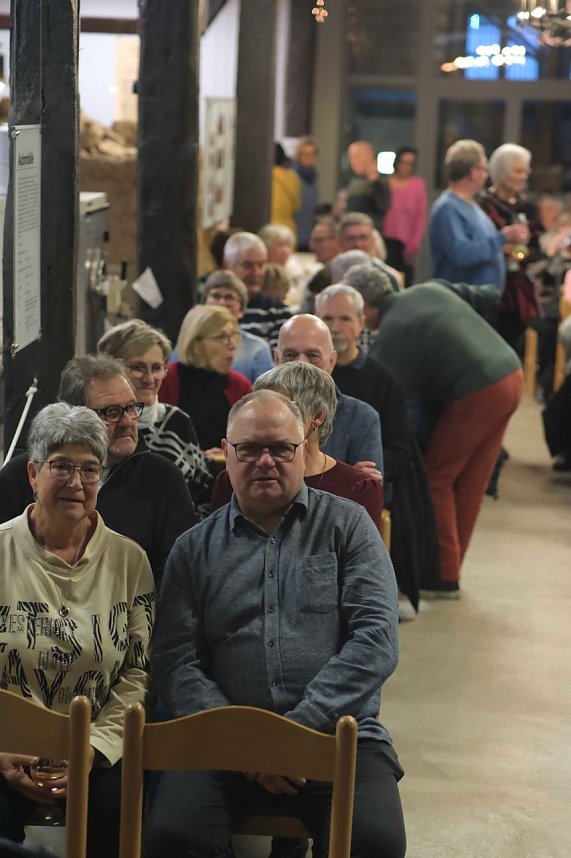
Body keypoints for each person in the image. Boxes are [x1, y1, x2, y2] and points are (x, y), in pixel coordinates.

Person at [144, 391, 406, 858]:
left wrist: (293, 735)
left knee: (374, 843)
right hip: (221, 743)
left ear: (304, 449)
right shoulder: (194, 548)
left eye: (281, 448)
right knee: (173, 839)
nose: (265, 461)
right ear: (227, 453)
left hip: (337, 735)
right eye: (249, 449)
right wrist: (243, 742)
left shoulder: (349, 528)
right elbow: (175, 660)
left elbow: (376, 641)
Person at [0, 403, 154, 857]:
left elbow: (137, 673)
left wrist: (93, 747)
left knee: (118, 811)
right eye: (61, 466)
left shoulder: (130, 562)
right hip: (6, 745)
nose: (76, 482)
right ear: (33, 473)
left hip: (96, 749)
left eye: (90, 469)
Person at [345, 263, 523, 596]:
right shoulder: (429, 288)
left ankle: (441, 575)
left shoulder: (394, 332)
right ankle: (452, 570)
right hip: (511, 374)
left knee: (437, 479)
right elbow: (486, 294)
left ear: (366, 307)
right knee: (471, 480)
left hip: (476, 392)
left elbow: (382, 399)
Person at [0, 355, 196, 588]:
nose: (127, 422)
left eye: (132, 408)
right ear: (75, 416)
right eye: (111, 412)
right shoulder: (22, 474)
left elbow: (177, 576)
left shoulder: (163, 478)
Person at [315, 283, 441, 610]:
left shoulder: (381, 379)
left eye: (344, 318)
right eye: (327, 318)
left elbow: (401, 447)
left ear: (361, 323)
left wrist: (365, 473)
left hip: (361, 487)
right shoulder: (303, 376)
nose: (335, 327)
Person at [212, 361, 383, 525]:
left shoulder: (358, 488)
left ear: (318, 417)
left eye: (283, 407)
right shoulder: (234, 479)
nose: (268, 415)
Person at [97, 319, 213, 516]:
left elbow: (204, 495)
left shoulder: (177, 420)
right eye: (138, 367)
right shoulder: (99, 422)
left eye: (157, 368)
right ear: (111, 369)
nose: (150, 378)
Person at [275, 314, 384, 480]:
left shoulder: (362, 417)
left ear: (331, 361)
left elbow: (368, 494)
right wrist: (344, 478)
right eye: (290, 355)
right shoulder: (252, 414)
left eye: (313, 356)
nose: (302, 365)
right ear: (277, 359)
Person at [430, 139, 530, 292]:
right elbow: (462, 254)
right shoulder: (448, 209)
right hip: (461, 303)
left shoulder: (471, 205)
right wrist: (502, 237)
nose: (486, 175)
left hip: (478, 303)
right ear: (472, 172)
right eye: (484, 169)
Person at [159, 304, 252, 453]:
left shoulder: (240, 385)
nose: (233, 345)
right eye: (222, 337)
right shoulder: (165, 379)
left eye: (233, 335)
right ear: (195, 344)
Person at [477, 143, 542, 354]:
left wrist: (518, 253)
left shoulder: (528, 208)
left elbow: (537, 249)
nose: (524, 176)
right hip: (488, 286)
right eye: (518, 170)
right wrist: (501, 247)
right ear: (501, 172)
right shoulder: (482, 206)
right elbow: (478, 245)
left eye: (526, 170)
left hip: (518, 294)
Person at [203, 270, 274, 382]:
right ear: (204, 304)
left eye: (229, 297)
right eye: (216, 296)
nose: (221, 302)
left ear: (241, 310)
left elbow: (266, 394)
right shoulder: (192, 342)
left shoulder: (258, 349)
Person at [223, 232, 292, 348]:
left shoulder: (278, 312)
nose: (256, 273)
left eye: (261, 265)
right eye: (248, 265)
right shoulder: (212, 306)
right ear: (227, 266)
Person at [383, 146, 428, 285]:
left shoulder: (418, 185)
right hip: (386, 240)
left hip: (405, 244)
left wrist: (412, 246)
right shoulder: (386, 184)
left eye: (410, 163)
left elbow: (420, 218)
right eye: (403, 162)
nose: (406, 166)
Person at [344, 140, 391, 231]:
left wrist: (375, 183)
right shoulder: (352, 182)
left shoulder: (381, 182)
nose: (353, 161)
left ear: (369, 157)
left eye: (357, 156)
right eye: (351, 157)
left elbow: (384, 207)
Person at [293, 136, 320, 251]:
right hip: (295, 233)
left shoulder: (314, 178)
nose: (309, 158)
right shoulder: (293, 176)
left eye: (312, 154)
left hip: (308, 234)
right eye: (305, 154)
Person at [271, 142, 301, 238]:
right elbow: (297, 207)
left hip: (270, 228)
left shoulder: (266, 177)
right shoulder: (293, 177)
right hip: (288, 230)